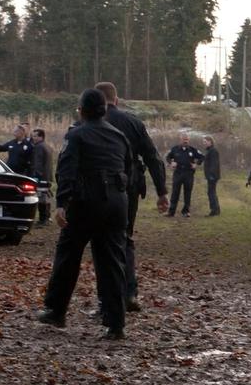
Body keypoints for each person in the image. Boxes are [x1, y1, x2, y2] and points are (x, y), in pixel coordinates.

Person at [36, 88, 132, 340]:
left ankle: (56, 310)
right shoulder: (119, 135)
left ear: (81, 110)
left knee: (68, 254)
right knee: (112, 261)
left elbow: (66, 170)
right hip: (117, 201)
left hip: (86, 200)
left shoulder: (77, 135)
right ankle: (116, 323)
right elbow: (128, 168)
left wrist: (61, 203)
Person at [94, 82, 169, 312]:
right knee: (125, 238)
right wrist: (162, 192)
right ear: (116, 100)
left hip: (96, 188)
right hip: (129, 186)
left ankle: (107, 298)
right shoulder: (133, 123)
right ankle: (129, 292)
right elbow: (153, 157)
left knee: (101, 242)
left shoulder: (90, 121)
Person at [165, 132, 204, 217]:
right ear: (180, 139)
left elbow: (202, 157)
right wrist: (171, 163)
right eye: (184, 139)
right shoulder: (175, 149)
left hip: (188, 174)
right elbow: (167, 157)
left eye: (187, 139)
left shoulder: (193, 150)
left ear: (188, 140)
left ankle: (186, 211)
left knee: (187, 193)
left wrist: (196, 164)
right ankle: (171, 212)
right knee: (175, 193)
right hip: (178, 173)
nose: (185, 141)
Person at [31, 128, 54, 226]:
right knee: (46, 198)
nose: (33, 138)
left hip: (41, 177)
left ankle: (42, 220)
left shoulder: (39, 147)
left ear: (41, 137)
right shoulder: (47, 146)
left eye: (35, 136)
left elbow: (38, 163)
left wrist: (36, 176)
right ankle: (47, 218)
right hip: (47, 176)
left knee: (41, 199)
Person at [202, 136, 221, 216]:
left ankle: (214, 210)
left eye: (205, 141)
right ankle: (216, 209)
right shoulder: (209, 151)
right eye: (203, 142)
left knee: (211, 192)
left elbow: (214, 164)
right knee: (212, 192)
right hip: (210, 175)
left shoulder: (213, 151)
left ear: (210, 141)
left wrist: (211, 175)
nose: (204, 143)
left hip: (212, 176)